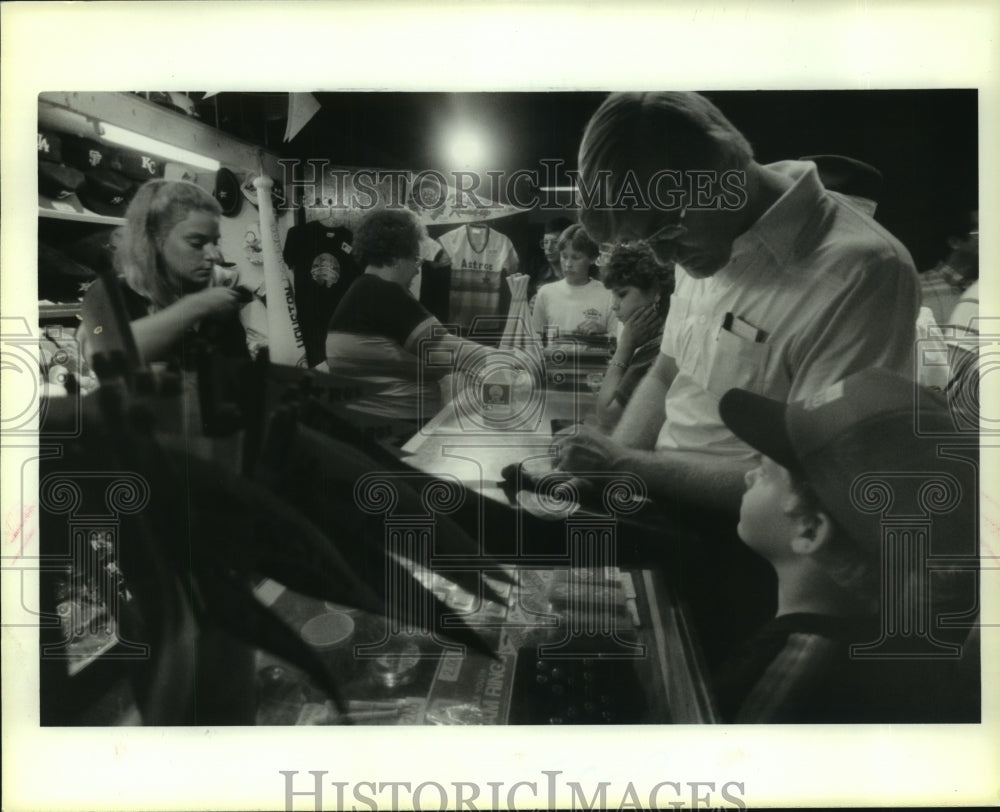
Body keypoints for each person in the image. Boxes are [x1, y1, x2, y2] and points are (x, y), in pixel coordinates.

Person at [556, 91, 919, 513]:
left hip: (755, 551)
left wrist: (626, 466)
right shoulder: (700, 245)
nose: (664, 258)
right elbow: (667, 373)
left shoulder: (863, 271)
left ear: (726, 167)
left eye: (668, 230)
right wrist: (600, 477)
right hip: (661, 509)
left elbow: (819, 480)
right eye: (646, 239)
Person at [714, 368, 978, 723]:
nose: (748, 476)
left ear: (810, 531)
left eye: (764, 474)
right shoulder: (889, 636)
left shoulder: (791, 678)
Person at [325, 208, 491, 428]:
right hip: (398, 430)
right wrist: (520, 359)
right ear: (395, 258)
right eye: (415, 259)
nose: (416, 270)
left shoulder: (361, 290)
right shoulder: (385, 294)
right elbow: (452, 352)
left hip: (365, 423)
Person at [80, 179, 250, 367]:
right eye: (196, 243)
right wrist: (195, 307)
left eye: (215, 242)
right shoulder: (109, 294)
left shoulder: (217, 304)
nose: (214, 255)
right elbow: (106, 357)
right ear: (154, 240)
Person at [594, 243, 674, 431]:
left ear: (656, 292)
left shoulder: (655, 350)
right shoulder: (658, 340)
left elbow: (607, 415)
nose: (614, 306)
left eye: (622, 295)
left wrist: (625, 347)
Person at [530, 224, 615, 340]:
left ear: (592, 259)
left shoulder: (607, 294)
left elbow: (617, 339)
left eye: (576, 258)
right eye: (564, 256)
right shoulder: (545, 293)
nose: (568, 264)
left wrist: (602, 331)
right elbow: (536, 338)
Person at [525, 216, 573, 311]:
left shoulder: (577, 275)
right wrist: (530, 305)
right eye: (546, 242)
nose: (549, 248)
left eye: (555, 242)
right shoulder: (536, 273)